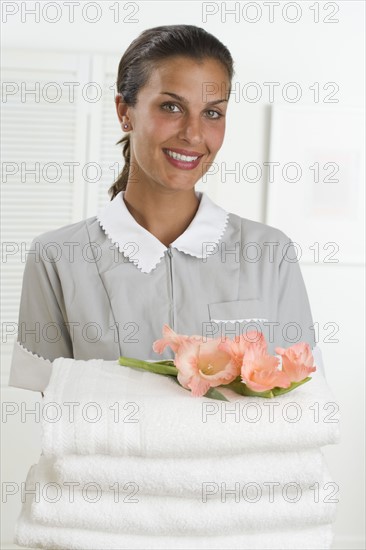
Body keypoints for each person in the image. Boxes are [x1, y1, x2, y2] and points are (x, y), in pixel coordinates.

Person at [8, 24, 318, 396]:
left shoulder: (270, 254)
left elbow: (304, 402)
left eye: (213, 113)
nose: (193, 134)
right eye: (171, 106)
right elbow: (41, 417)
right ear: (125, 111)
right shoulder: (57, 258)